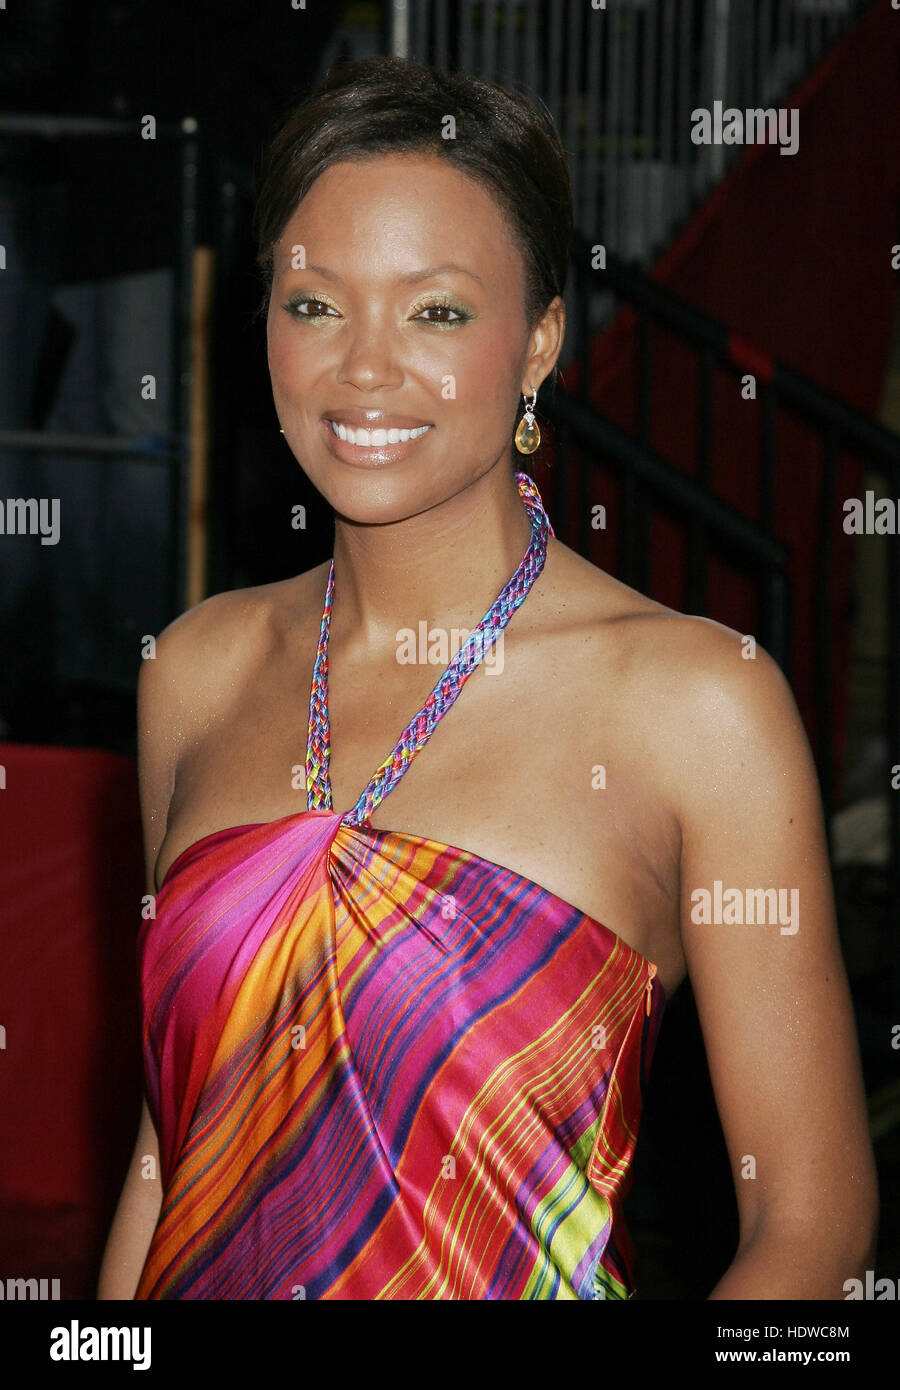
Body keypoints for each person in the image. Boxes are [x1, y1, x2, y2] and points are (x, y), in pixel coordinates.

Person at [98, 56, 877, 1301]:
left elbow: (811, 1223)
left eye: (438, 311)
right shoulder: (195, 669)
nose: (363, 370)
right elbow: (170, 1144)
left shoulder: (694, 704)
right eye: (314, 306)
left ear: (542, 344)